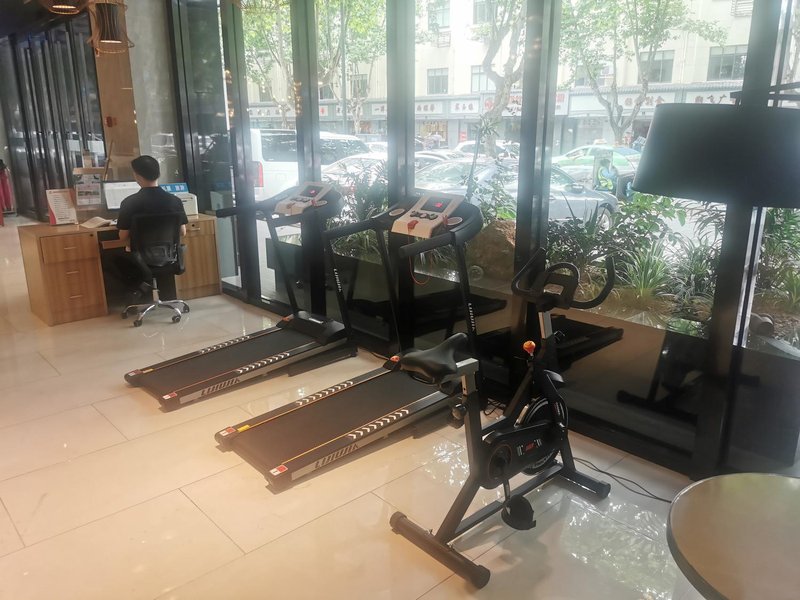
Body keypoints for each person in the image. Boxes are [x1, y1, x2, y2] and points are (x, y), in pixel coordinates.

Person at [105, 155, 188, 300]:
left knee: (110, 258)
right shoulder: (174, 200)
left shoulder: (129, 202)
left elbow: (123, 237)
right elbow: (182, 232)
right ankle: (164, 296)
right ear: (158, 174)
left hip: (141, 258)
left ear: (137, 176)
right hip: (168, 256)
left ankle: (140, 292)